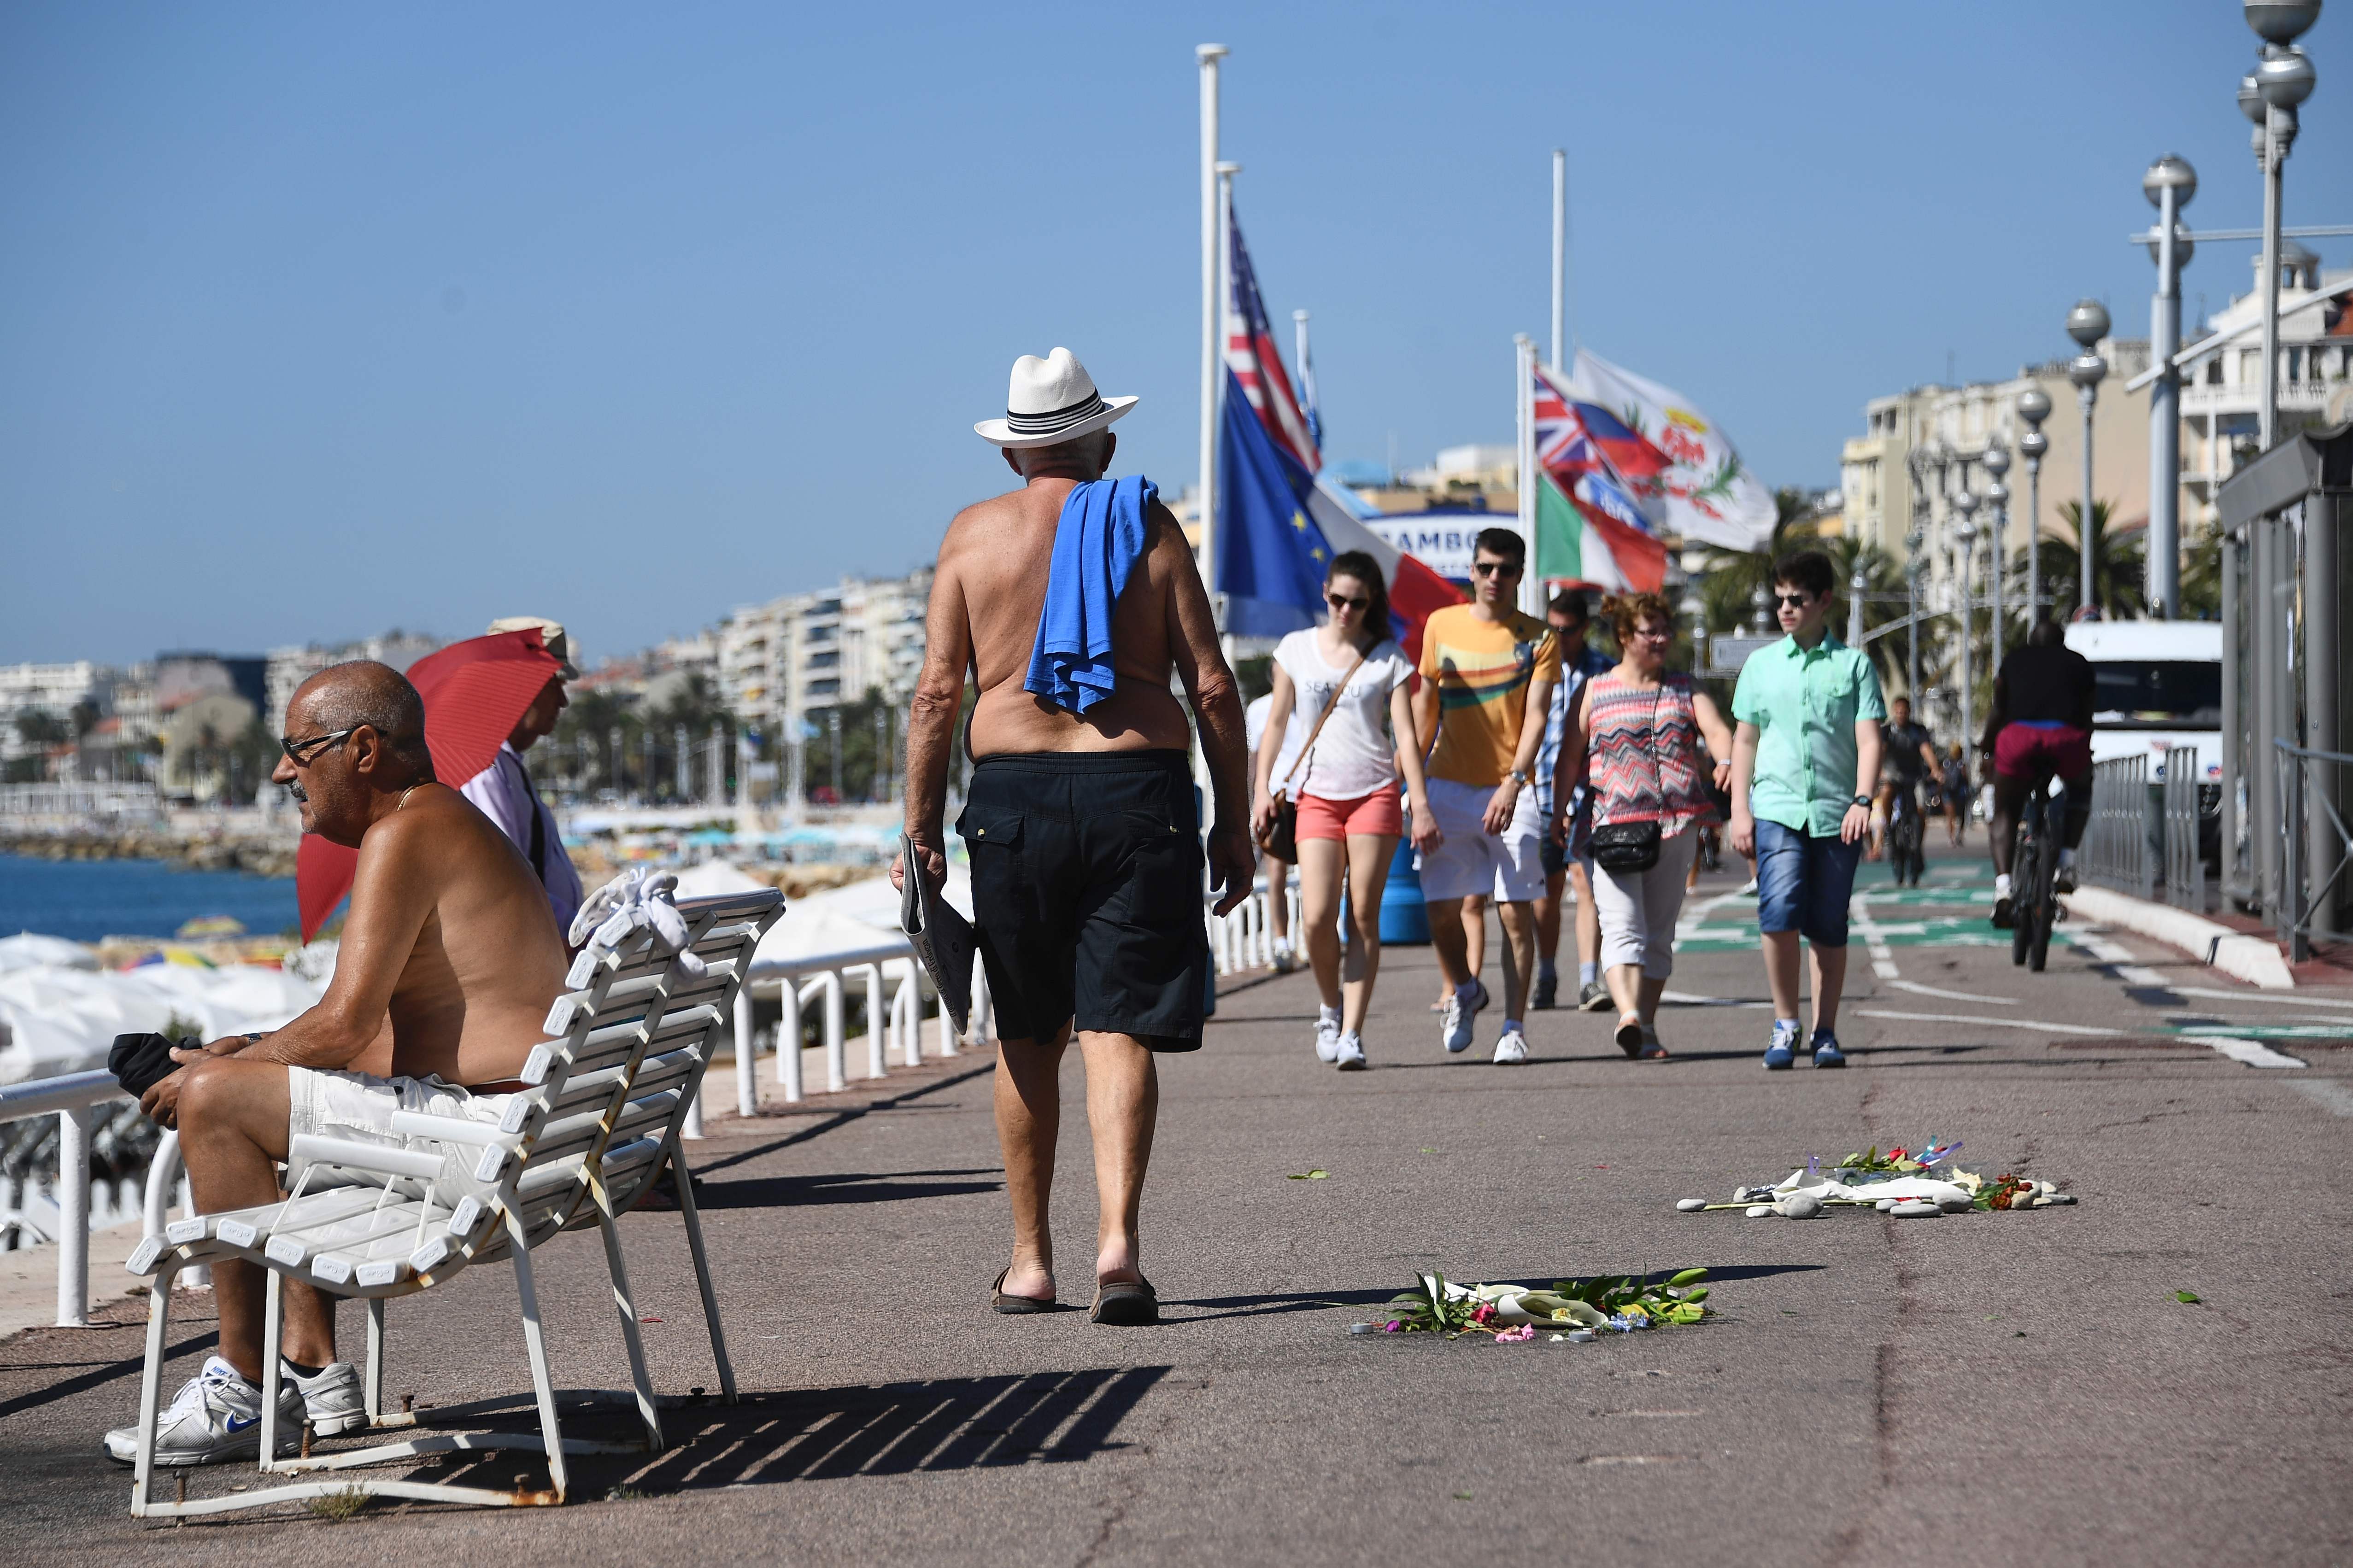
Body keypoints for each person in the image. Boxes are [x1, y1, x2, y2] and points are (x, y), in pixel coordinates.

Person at [106, 661, 570, 1467]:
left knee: (215, 1104)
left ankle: (244, 1389)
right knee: (232, 1086)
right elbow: (384, 1034)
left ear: (363, 748)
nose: (284, 770)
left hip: (491, 1139)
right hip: (530, 1129)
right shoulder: (448, 821)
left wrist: (221, 1079)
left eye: (298, 748)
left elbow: (344, 1021)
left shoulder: (404, 830)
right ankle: (312, 1371)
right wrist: (248, 1056)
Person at [898, 348, 1250, 1327]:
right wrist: (1233, 822)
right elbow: (1212, 685)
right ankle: (1119, 1251)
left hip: (1012, 798)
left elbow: (936, 695)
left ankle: (1028, 1262)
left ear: (1015, 451)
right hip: (1137, 790)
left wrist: (920, 828)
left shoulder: (972, 538)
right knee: (1116, 1025)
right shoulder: (1144, 523)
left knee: (1026, 1031)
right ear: (1098, 438)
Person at [1251, 553, 1435, 1069]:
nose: (1346, 609)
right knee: (1315, 916)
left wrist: (1419, 805)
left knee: (1361, 915)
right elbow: (1276, 724)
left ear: (1371, 602)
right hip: (1315, 795)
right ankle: (1329, 1004)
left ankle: (1352, 1031)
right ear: (1325, 592)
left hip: (1374, 791)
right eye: (1338, 598)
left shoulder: (1387, 657)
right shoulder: (1296, 649)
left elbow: (1405, 736)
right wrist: (1263, 788)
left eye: (1357, 601)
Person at [1728, 550, 1885, 1070]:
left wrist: (1863, 799)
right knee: (1778, 910)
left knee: (1828, 924)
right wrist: (1740, 810)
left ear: (1824, 601)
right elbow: (1745, 740)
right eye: (1780, 600)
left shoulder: (1854, 665)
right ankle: (1784, 1021)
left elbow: (1868, 738)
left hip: (1838, 811)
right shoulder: (1760, 665)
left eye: (1797, 599)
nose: (1786, 609)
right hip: (1776, 805)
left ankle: (1824, 1031)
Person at [1561, 593, 1733, 1059]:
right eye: (1648, 630)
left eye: (1664, 629)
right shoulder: (1595, 690)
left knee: (1658, 934)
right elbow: (1570, 757)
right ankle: (1629, 1015)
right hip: (1614, 826)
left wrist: (1727, 760)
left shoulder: (1684, 686)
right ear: (1624, 636)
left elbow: (1717, 730)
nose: (1660, 639)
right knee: (1621, 927)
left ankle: (1647, 1023)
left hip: (1677, 826)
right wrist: (1557, 813)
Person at [1411, 527, 1560, 1064]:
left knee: (1514, 913)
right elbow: (1425, 710)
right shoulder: (1441, 626)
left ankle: (1514, 1026)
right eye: (1486, 567)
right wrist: (1415, 789)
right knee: (1442, 913)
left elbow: (1537, 716)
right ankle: (1466, 990)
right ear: (1471, 571)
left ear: (1521, 575)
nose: (1495, 577)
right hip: (1446, 786)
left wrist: (1514, 782)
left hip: (1511, 789)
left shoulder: (1539, 637)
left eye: (1507, 569)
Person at [460, 615, 587, 935]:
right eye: (555, 683)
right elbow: (508, 886)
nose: (563, 700)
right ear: (518, 685)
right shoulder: (484, 769)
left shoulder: (504, 764)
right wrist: (582, 933)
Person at [1979, 617, 2098, 924]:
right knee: (2081, 791)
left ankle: (2003, 887)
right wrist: (2082, 746)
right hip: (2065, 739)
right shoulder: (2079, 664)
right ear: (2061, 642)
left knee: (2005, 811)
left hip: (2018, 739)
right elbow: (2087, 715)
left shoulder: (2013, 661)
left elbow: (1998, 711)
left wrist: (1987, 748)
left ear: (2031, 641)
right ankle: (2067, 863)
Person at [1533, 588, 1617, 1012]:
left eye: (1565, 631)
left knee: (1586, 883)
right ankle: (1546, 974)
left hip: (1591, 796)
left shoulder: (1604, 670)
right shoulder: (1535, 666)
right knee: (1546, 892)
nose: (1557, 637)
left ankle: (1589, 980)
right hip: (1543, 793)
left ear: (1583, 628)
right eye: (1552, 628)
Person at [1243, 688, 1302, 972]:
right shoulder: (1259, 707)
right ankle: (1282, 942)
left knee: (1319, 871)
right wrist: (1255, 798)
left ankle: (1313, 935)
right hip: (1276, 797)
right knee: (1276, 872)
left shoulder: (1308, 701)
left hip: (1309, 793)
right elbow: (1254, 758)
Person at [1871, 696, 1942, 861]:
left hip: (1915, 777)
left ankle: (1918, 847)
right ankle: (1888, 828)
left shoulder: (1918, 730)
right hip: (1893, 775)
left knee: (1921, 809)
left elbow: (1926, 750)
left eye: (1904, 712)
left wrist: (1935, 769)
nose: (1901, 715)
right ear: (1894, 713)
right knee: (1887, 792)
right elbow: (1881, 751)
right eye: (1898, 712)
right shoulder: (1887, 731)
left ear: (1909, 713)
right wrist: (1877, 771)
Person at [1940, 743, 1971, 845]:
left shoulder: (1946, 763)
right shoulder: (1961, 764)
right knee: (1961, 815)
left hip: (1948, 791)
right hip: (1960, 792)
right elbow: (1966, 778)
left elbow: (1942, 778)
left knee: (1950, 816)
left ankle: (1951, 837)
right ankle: (1959, 836)